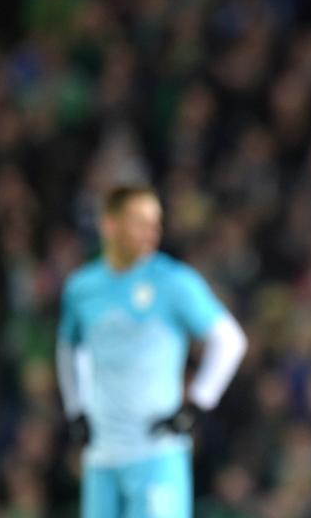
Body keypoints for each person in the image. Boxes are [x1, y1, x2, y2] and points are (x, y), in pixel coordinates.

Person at [56, 185, 248, 518]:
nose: (152, 232)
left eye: (155, 222)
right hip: (102, 455)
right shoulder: (82, 288)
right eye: (139, 221)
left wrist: (198, 404)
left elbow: (230, 340)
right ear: (110, 226)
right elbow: (69, 348)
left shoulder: (172, 281)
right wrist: (76, 408)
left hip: (156, 453)